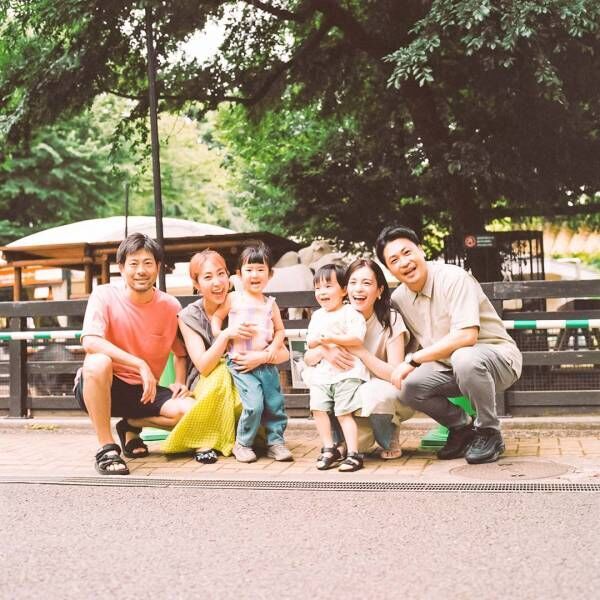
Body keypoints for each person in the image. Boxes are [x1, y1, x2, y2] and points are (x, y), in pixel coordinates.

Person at [376, 225, 522, 464]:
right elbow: (406, 343)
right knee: (408, 385)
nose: (404, 262)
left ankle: (489, 431)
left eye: (407, 252)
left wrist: (412, 361)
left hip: (498, 359)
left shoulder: (453, 278)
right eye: (394, 259)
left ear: (421, 251)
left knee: (464, 357)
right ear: (389, 268)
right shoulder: (399, 298)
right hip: (450, 368)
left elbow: (467, 336)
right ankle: (462, 428)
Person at [74, 233, 191, 475]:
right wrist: (139, 364)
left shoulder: (170, 306)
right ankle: (107, 448)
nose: (141, 270)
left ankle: (130, 424)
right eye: (133, 263)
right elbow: (90, 341)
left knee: (188, 411)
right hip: (103, 385)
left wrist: (179, 381)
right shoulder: (104, 295)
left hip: (143, 392)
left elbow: (181, 353)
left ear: (158, 268)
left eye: (148, 263)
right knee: (97, 362)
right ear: (121, 268)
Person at [162, 249, 289, 463]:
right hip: (208, 381)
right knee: (223, 374)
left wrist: (261, 357)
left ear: (230, 276)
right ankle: (213, 440)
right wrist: (226, 335)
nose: (217, 282)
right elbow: (204, 366)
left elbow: (283, 352)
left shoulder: (248, 304)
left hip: (249, 372)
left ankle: (258, 440)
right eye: (208, 277)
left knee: (261, 398)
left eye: (221, 274)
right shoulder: (188, 316)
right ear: (196, 283)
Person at [303, 258, 414, 459]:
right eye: (353, 282)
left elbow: (396, 374)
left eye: (366, 283)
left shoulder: (391, 319)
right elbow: (308, 358)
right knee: (316, 378)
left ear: (379, 290)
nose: (358, 289)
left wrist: (361, 352)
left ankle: (388, 438)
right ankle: (341, 442)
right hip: (345, 385)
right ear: (345, 288)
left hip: (378, 388)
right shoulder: (334, 315)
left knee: (374, 392)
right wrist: (324, 352)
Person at [211, 243, 293, 463]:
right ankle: (243, 443)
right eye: (249, 270)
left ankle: (276, 442)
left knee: (274, 404)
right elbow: (216, 318)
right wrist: (223, 334)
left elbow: (280, 330)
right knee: (255, 404)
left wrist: (273, 348)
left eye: (260, 270)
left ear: (270, 274)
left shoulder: (270, 304)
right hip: (242, 363)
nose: (254, 275)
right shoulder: (233, 298)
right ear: (239, 274)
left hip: (265, 363)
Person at [303, 264, 370, 472]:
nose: (322, 292)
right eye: (318, 288)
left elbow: (357, 338)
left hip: (347, 373)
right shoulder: (317, 316)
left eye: (328, 286)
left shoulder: (351, 312)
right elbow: (310, 346)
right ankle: (329, 448)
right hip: (322, 374)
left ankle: (353, 453)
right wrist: (321, 346)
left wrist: (330, 339)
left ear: (343, 290)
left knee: (344, 413)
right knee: (318, 409)